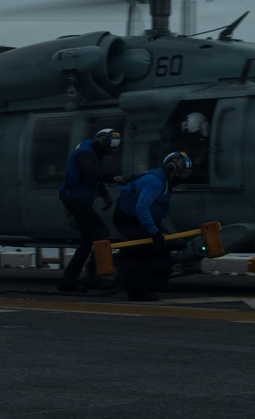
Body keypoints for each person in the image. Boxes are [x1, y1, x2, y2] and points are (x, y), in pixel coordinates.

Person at [113, 151, 192, 301]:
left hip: (137, 218)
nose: (182, 178)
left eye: (186, 174)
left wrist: (155, 230)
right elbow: (141, 207)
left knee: (159, 248)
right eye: (182, 173)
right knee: (149, 248)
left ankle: (151, 284)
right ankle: (136, 290)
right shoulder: (156, 182)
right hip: (127, 218)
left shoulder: (165, 181)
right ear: (171, 168)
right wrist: (154, 232)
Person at [58, 128, 127, 292]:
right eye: (109, 147)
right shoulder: (85, 153)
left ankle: (73, 281)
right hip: (76, 200)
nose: (110, 151)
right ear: (100, 142)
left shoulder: (95, 150)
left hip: (78, 199)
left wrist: (104, 195)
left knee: (89, 240)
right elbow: (91, 171)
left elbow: (92, 177)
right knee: (101, 233)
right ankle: (92, 277)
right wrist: (114, 178)